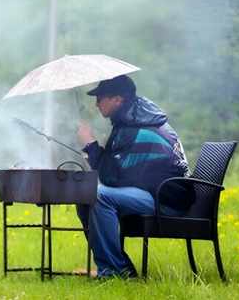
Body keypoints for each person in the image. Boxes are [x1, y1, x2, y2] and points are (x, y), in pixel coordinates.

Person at [75, 74, 191, 278]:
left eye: (100, 98)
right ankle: (114, 266)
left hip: (165, 199)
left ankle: (115, 271)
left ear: (117, 99)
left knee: (98, 195)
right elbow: (118, 172)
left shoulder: (136, 128)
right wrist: (94, 150)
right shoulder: (132, 120)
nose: (96, 104)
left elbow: (111, 177)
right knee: (87, 195)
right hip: (155, 192)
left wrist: (90, 145)